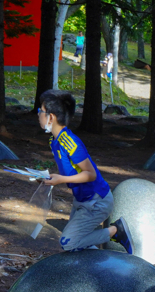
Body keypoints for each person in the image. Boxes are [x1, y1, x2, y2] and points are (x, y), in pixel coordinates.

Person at [37, 89, 134, 255]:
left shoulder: (69, 142)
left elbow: (91, 174)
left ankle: (115, 231)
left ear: (51, 117)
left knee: (68, 243)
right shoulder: (55, 141)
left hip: (96, 201)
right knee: (80, 243)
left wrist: (60, 180)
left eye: (41, 111)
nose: (38, 114)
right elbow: (69, 169)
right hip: (81, 200)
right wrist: (51, 177)